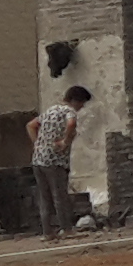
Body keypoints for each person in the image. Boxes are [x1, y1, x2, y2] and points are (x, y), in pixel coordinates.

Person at [28, 86, 91, 238]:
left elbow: (30, 125)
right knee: (59, 196)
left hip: (38, 159)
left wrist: (37, 144)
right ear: (75, 100)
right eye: (81, 103)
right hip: (55, 160)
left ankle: (47, 232)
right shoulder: (69, 111)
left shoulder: (50, 110)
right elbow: (71, 124)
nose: (82, 107)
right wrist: (65, 141)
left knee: (45, 197)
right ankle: (66, 229)